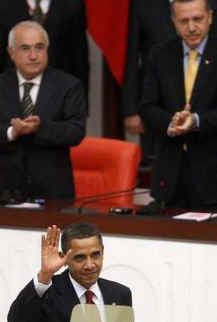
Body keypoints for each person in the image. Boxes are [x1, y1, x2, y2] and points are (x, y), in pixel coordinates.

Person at [140, 0, 217, 211]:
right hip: (170, 176)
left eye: (197, 19)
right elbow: (147, 106)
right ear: (173, 22)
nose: (191, 27)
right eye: (184, 21)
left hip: (212, 176)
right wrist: (171, 122)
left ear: (210, 17)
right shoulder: (160, 54)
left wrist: (197, 121)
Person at [0, 21, 86, 202]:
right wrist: (11, 131)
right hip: (5, 189)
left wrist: (40, 128)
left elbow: (76, 131)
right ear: (11, 52)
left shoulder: (69, 85)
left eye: (39, 47)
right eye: (25, 48)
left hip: (53, 192)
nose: (33, 56)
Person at [7, 222, 132, 322]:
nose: (89, 265)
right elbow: (16, 319)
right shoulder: (49, 294)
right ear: (64, 258)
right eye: (80, 257)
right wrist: (45, 274)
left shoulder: (120, 294)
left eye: (95, 255)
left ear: (102, 252)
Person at [121, 0, 177, 167]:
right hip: (156, 107)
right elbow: (131, 57)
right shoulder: (143, 4)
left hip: (202, 104)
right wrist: (130, 110)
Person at [0, 0, 89, 98]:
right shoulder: (4, 5)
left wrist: (80, 106)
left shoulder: (73, 5)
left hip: (59, 97)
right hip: (11, 97)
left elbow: (80, 62)